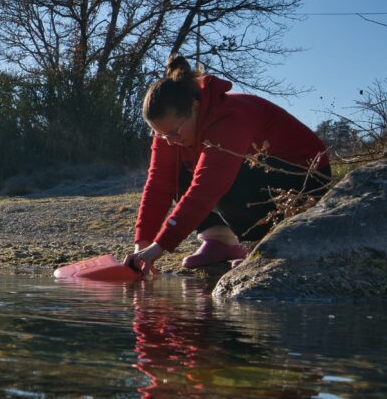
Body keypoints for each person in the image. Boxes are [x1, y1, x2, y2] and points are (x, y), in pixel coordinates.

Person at [125, 53, 330, 274]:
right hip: (257, 177)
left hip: (302, 179)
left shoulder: (230, 116)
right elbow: (159, 184)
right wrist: (143, 245)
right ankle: (219, 240)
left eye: (174, 132)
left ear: (194, 107)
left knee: (219, 174)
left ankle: (257, 246)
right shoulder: (169, 130)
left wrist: (161, 246)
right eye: (161, 134)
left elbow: (208, 187)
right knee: (178, 173)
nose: (170, 140)